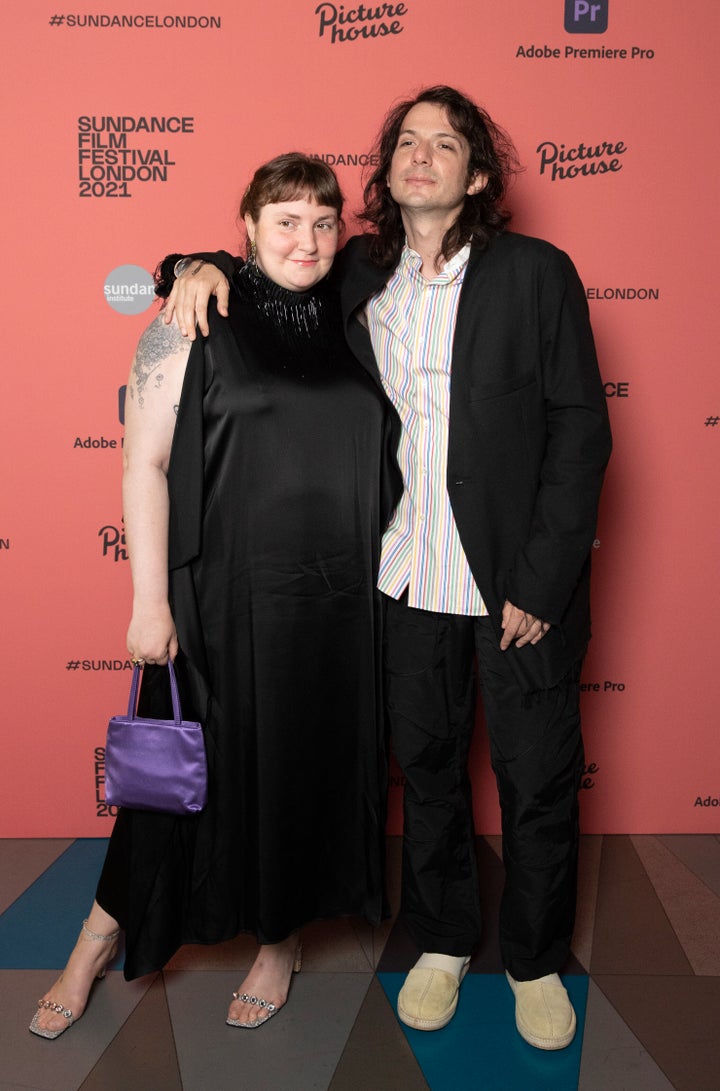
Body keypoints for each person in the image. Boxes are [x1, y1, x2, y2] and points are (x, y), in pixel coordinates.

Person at [162, 86, 613, 1052]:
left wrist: (542, 579)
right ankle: (444, 940)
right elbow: (269, 277)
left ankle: (533, 959)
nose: (421, 154)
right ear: (389, 168)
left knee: (534, 779)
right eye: (407, 141)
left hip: (514, 586)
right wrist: (189, 265)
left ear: (477, 175)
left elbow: (581, 429)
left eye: (445, 144)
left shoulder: (537, 272)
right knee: (435, 771)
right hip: (404, 577)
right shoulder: (361, 276)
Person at [29, 153, 402, 1040]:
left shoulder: (359, 315)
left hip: (340, 603)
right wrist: (148, 601)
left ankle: (281, 939)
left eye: (322, 220)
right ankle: (97, 936)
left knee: (307, 773)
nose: (306, 238)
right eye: (285, 219)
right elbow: (145, 463)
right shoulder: (193, 312)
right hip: (222, 594)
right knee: (179, 782)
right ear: (247, 227)